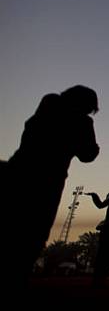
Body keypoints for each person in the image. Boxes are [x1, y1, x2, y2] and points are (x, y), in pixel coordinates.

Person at [2, 86, 100, 288]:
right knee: (34, 230)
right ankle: (15, 278)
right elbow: (88, 154)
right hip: (47, 182)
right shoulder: (81, 121)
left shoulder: (48, 105)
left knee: (10, 222)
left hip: (17, 170)